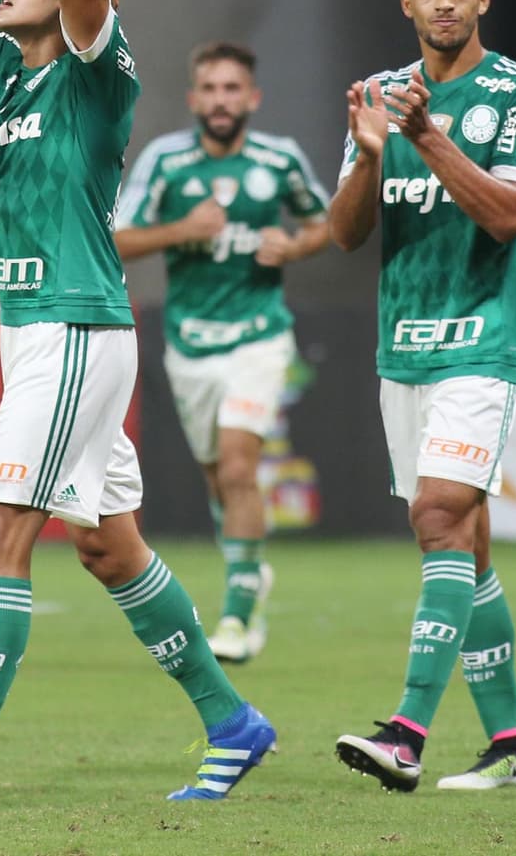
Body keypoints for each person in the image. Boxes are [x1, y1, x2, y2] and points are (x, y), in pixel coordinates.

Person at [0, 0, 275, 804]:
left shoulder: (97, 72)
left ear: (81, 1)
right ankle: (234, 723)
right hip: (39, 329)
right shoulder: (9, 58)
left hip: (73, 329)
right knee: (108, 548)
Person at [329, 0, 516, 792]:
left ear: (485, 1)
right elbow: (346, 231)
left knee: (437, 514)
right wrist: (368, 149)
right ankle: (513, 747)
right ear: (406, 4)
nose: (445, 2)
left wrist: (425, 137)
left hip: (481, 339)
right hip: (405, 348)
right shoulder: (380, 96)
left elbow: (507, 216)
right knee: (468, 542)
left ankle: (408, 731)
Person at [113, 41, 329, 664]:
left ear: (252, 98)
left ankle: (236, 614)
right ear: (193, 99)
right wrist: (184, 230)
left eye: (232, 89)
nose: (220, 100)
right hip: (190, 342)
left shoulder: (278, 159)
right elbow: (118, 240)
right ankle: (250, 569)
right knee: (218, 474)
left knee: (238, 466)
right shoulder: (167, 160)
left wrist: (293, 248)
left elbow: (329, 221)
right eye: (210, 89)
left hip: (260, 334)